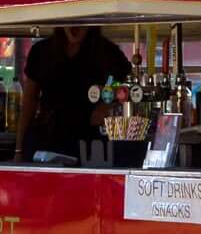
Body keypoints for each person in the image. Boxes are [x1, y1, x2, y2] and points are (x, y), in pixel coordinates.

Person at [16, 24, 132, 162]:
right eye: (69, 19)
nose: (74, 25)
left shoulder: (107, 52)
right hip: (47, 137)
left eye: (81, 21)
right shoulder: (42, 51)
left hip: (88, 140)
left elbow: (126, 87)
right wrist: (19, 150)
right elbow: (29, 103)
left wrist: (107, 104)